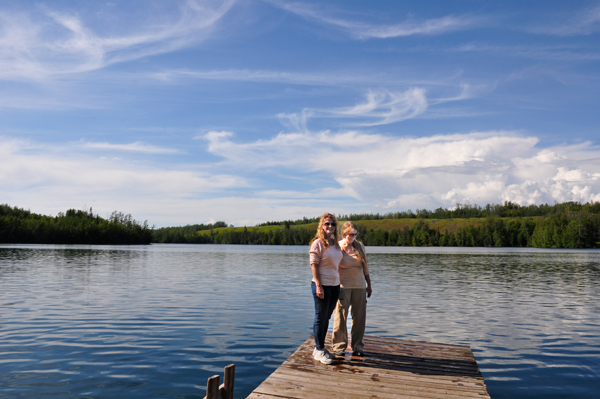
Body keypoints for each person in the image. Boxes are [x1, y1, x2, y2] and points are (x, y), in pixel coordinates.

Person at [332, 221, 372, 357]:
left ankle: (358, 347)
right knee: (340, 317)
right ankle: (339, 346)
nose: (354, 237)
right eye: (351, 235)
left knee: (359, 318)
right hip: (343, 287)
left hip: (360, 286)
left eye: (355, 234)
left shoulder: (359, 246)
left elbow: (365, 267)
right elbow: (333, 268)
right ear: (344, 234)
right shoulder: (337, 247)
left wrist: (369, 285)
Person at [309, 213, 343, 365]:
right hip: (321, 285)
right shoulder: (318, 243)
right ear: (322, 226)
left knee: (326, 318)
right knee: (320, 318)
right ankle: (319, 349)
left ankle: (319, 348)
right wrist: (318, 284)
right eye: (327, 224)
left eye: (332, 224)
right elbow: (313, 264)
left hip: (335, 285)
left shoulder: (336, 244)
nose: (330, 227)